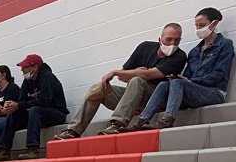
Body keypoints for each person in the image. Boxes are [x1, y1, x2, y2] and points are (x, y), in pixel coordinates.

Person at [56, 23, 188, 139]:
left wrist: (117, 72)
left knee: (137, 80)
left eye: (176, 41)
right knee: (98, 88)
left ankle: (116, 123)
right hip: (132, 99)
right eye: (169, 39)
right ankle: (73, 130)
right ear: (160, 39)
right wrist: (134, 71)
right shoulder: (144, 47)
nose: (172, 44)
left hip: (154, 100)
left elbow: (148, 75)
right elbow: (122, 77)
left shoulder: (180, 57)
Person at [128, 8, 234, 131]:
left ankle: (167, 119)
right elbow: (187, 75)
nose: (199, 29)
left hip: (214, 92)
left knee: (178, 83)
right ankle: (142, 121)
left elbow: (218, 74)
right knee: (164, 84)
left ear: (214, 24)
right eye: (197, 26)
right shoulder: (195, 51)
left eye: (202, 25)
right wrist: (178, 78)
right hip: (195, 91)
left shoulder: (225, 45)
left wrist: (192, 81)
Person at [0, 55, 70, 161]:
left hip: (57, 112)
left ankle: (33, 149)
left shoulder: (47, 77)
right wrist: (12, 105)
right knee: (13, 113)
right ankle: (4, 150)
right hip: (39, 113)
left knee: (34, 110)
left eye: (25, 67)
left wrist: (18, 105)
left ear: (35, 67)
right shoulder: (28, 80)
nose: (22, 69)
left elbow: (45, 101)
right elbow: (21, 100)